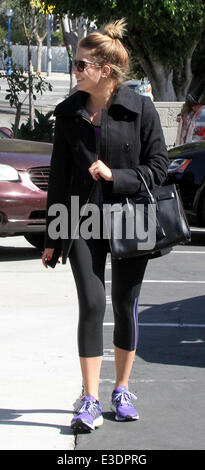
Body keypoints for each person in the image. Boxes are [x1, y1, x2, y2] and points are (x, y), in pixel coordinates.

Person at [42, 19, 169, 432]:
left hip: (132, 216)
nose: (75, 70)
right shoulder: (68, 113)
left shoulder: (140, 109)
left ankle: (122, 389)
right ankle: (91, 398)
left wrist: (118, 176)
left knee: (125, 305)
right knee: (93, 304)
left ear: (106, 71)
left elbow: (159, 168)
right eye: (75, 64)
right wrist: (52, 236)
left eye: (81, 64)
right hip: (81, 219)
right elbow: (59, 177)